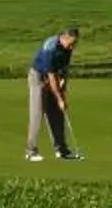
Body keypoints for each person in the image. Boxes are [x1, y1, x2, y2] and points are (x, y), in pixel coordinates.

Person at [25, 26, 82, 161]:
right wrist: (59, 97)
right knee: (38, 113)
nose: (72, 47)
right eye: (71, 43)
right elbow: (51, 76)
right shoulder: (50, 48)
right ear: (64, 38)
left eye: (75, 44)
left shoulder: (67, 49)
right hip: (38, 77)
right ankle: (30, 151)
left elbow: (63, 70)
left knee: (57, 112)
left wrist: (63, 92)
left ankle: (61, 150)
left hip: (53, 77)